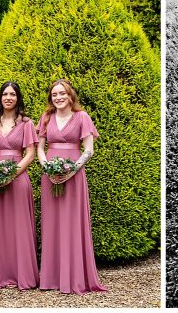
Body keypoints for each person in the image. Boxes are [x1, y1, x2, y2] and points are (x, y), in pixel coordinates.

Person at [36, 79, 105, 294]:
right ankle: (52, 278)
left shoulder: (81, 117)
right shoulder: (46, 118)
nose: (58, 97)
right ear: (51, 98)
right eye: (54, 94)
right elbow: (39, 148)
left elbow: (89, 150)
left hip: (73, 176)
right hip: (50, 176)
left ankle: (74, 276)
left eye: (62, 93)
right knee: (53, 224)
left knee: (72, 223)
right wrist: (47, 168)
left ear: (70, 96)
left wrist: (72, 171)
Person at [0, 82, 39, 290]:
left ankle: (21, 275)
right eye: (5, 94)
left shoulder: (26, 124)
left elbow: (30, 154)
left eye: (12, 94)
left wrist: (11, 174)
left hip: (18, 179)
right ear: (0, 98)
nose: (8, 97)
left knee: (19, 227)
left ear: (18, 98)